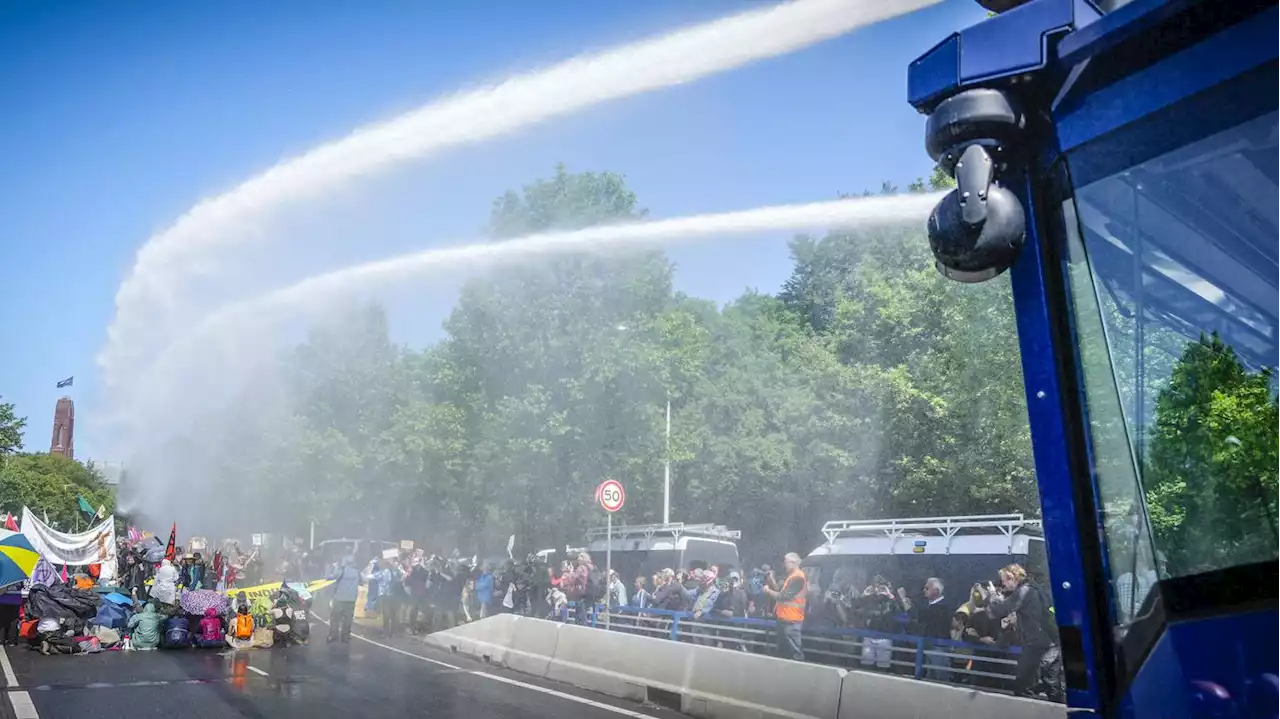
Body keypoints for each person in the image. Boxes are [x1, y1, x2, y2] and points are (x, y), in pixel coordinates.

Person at [763, 553, 807, 661]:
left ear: (793, 563)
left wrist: (768, 591)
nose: (784, 565)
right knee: (784, 653)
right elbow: (780, 591)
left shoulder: (798, 578)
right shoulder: (792, 577)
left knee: (794, 653)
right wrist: (772, 579)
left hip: (792, 620)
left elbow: (783, 597)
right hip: (785, 619)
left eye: (786, 562)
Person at [327, 555, 362, 643]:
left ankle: (333, 635)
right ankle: (345, 636)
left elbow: (330, 577)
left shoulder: (341, 571)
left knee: (335, 618)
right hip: (351, 599)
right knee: (348, 619)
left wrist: (334, 568)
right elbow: (363, 580)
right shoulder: (357, 572)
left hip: (339, 598)